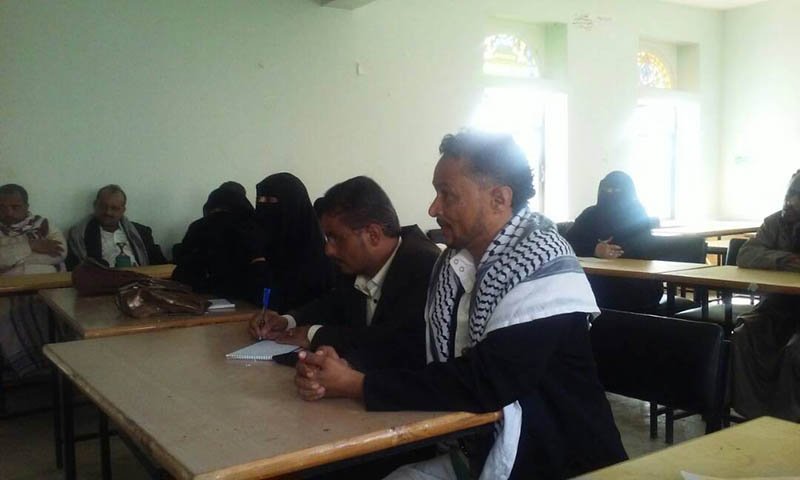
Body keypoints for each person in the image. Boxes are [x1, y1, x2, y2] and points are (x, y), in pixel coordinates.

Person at [293, 131, 627, 479]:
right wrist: (340, 366)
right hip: (476, 449)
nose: (433, 209)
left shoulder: (542, 263)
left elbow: (484, 382)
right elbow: (417, 346)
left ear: (498, 199)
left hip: (554, 459)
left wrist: (358, 385)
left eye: (447, 195)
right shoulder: (454, 263)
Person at [249, 176, 441, 368]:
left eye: (336, 238)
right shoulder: (356, 264)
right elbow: (334, 304)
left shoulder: (425, 267)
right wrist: (288, 321)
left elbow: (393, 343)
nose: (328, 250)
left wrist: (313, 334)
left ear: (373, 235)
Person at [731, 170, 800, 421]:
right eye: (789, 194)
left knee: (794, 351)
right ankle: (754, 415)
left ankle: (788, 421)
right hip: (780, 305)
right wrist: (786, 259)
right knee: (744, 333)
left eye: (796, 196)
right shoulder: (775, 223)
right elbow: (746, 255)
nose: (789, 201)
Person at [565, 171, 662, 312]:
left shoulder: (637, 214)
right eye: (607, 190)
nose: (611, 194)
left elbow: (643, 247)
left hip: (637, 285)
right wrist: (594, 249)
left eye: (617, 190)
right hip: (594, 283)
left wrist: (614, 251)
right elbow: (568, 243)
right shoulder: (590, 215)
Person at [0, 184, 66, 378]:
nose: (8, 212)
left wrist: (12, 257)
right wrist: (31, 245)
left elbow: (59, 253)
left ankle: (57, 366)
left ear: (27, 206)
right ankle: (29, 369)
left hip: (48, 287)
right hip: (7, 292)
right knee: (10, 314)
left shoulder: (44, 224)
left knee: (61, 312)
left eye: (15, 207)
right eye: (2, 207)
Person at [253, 173, 333, 311]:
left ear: (292, 203)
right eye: (259, 199)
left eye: (270, 200)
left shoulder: (319, 256)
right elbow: (263, 299)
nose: (263, 205)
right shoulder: (261, 241)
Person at [173, 186, 266, 303]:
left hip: (196, 297)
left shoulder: (198, 226)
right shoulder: (250, 227)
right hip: (246, 297)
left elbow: (182, 264)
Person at [66, 184, 167, 270]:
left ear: (123, 210)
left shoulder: (142, 232)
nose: (108, 212)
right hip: (102, 284)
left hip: (142, 282)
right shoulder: (79, 234)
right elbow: (75, 270)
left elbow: (162, 266)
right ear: (95, 205)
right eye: (103, 206)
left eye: (114, 208)